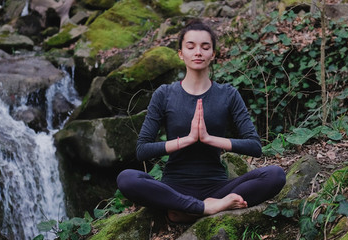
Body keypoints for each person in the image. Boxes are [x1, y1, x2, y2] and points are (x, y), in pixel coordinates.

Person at [116, 19, 286, 223]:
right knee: (126, 178)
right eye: (191, 46)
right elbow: (142, 150)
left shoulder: (228, 94)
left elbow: (254, 146)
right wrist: (186, 140)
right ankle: (204, 208)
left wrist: (207, 138)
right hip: (173, 187)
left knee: (275, 175)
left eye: (205, 47)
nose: (198, 52)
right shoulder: (165, 94)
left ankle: (187, 210)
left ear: (213, 54)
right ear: (180, 53)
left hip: (217, 188)